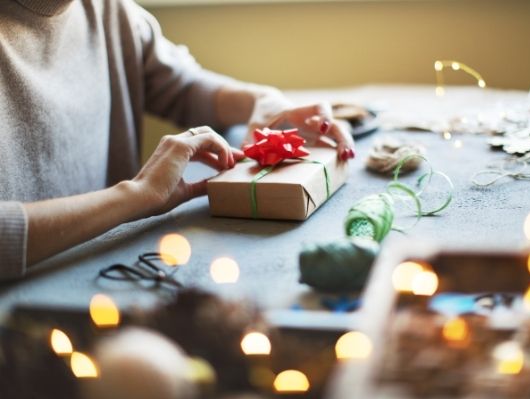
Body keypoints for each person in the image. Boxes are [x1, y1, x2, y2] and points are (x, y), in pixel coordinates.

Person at [0, 0, 354, 280]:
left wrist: (263, 102)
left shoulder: (111, 10)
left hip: (105, 275)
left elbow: (181, 86)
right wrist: (136, 197)